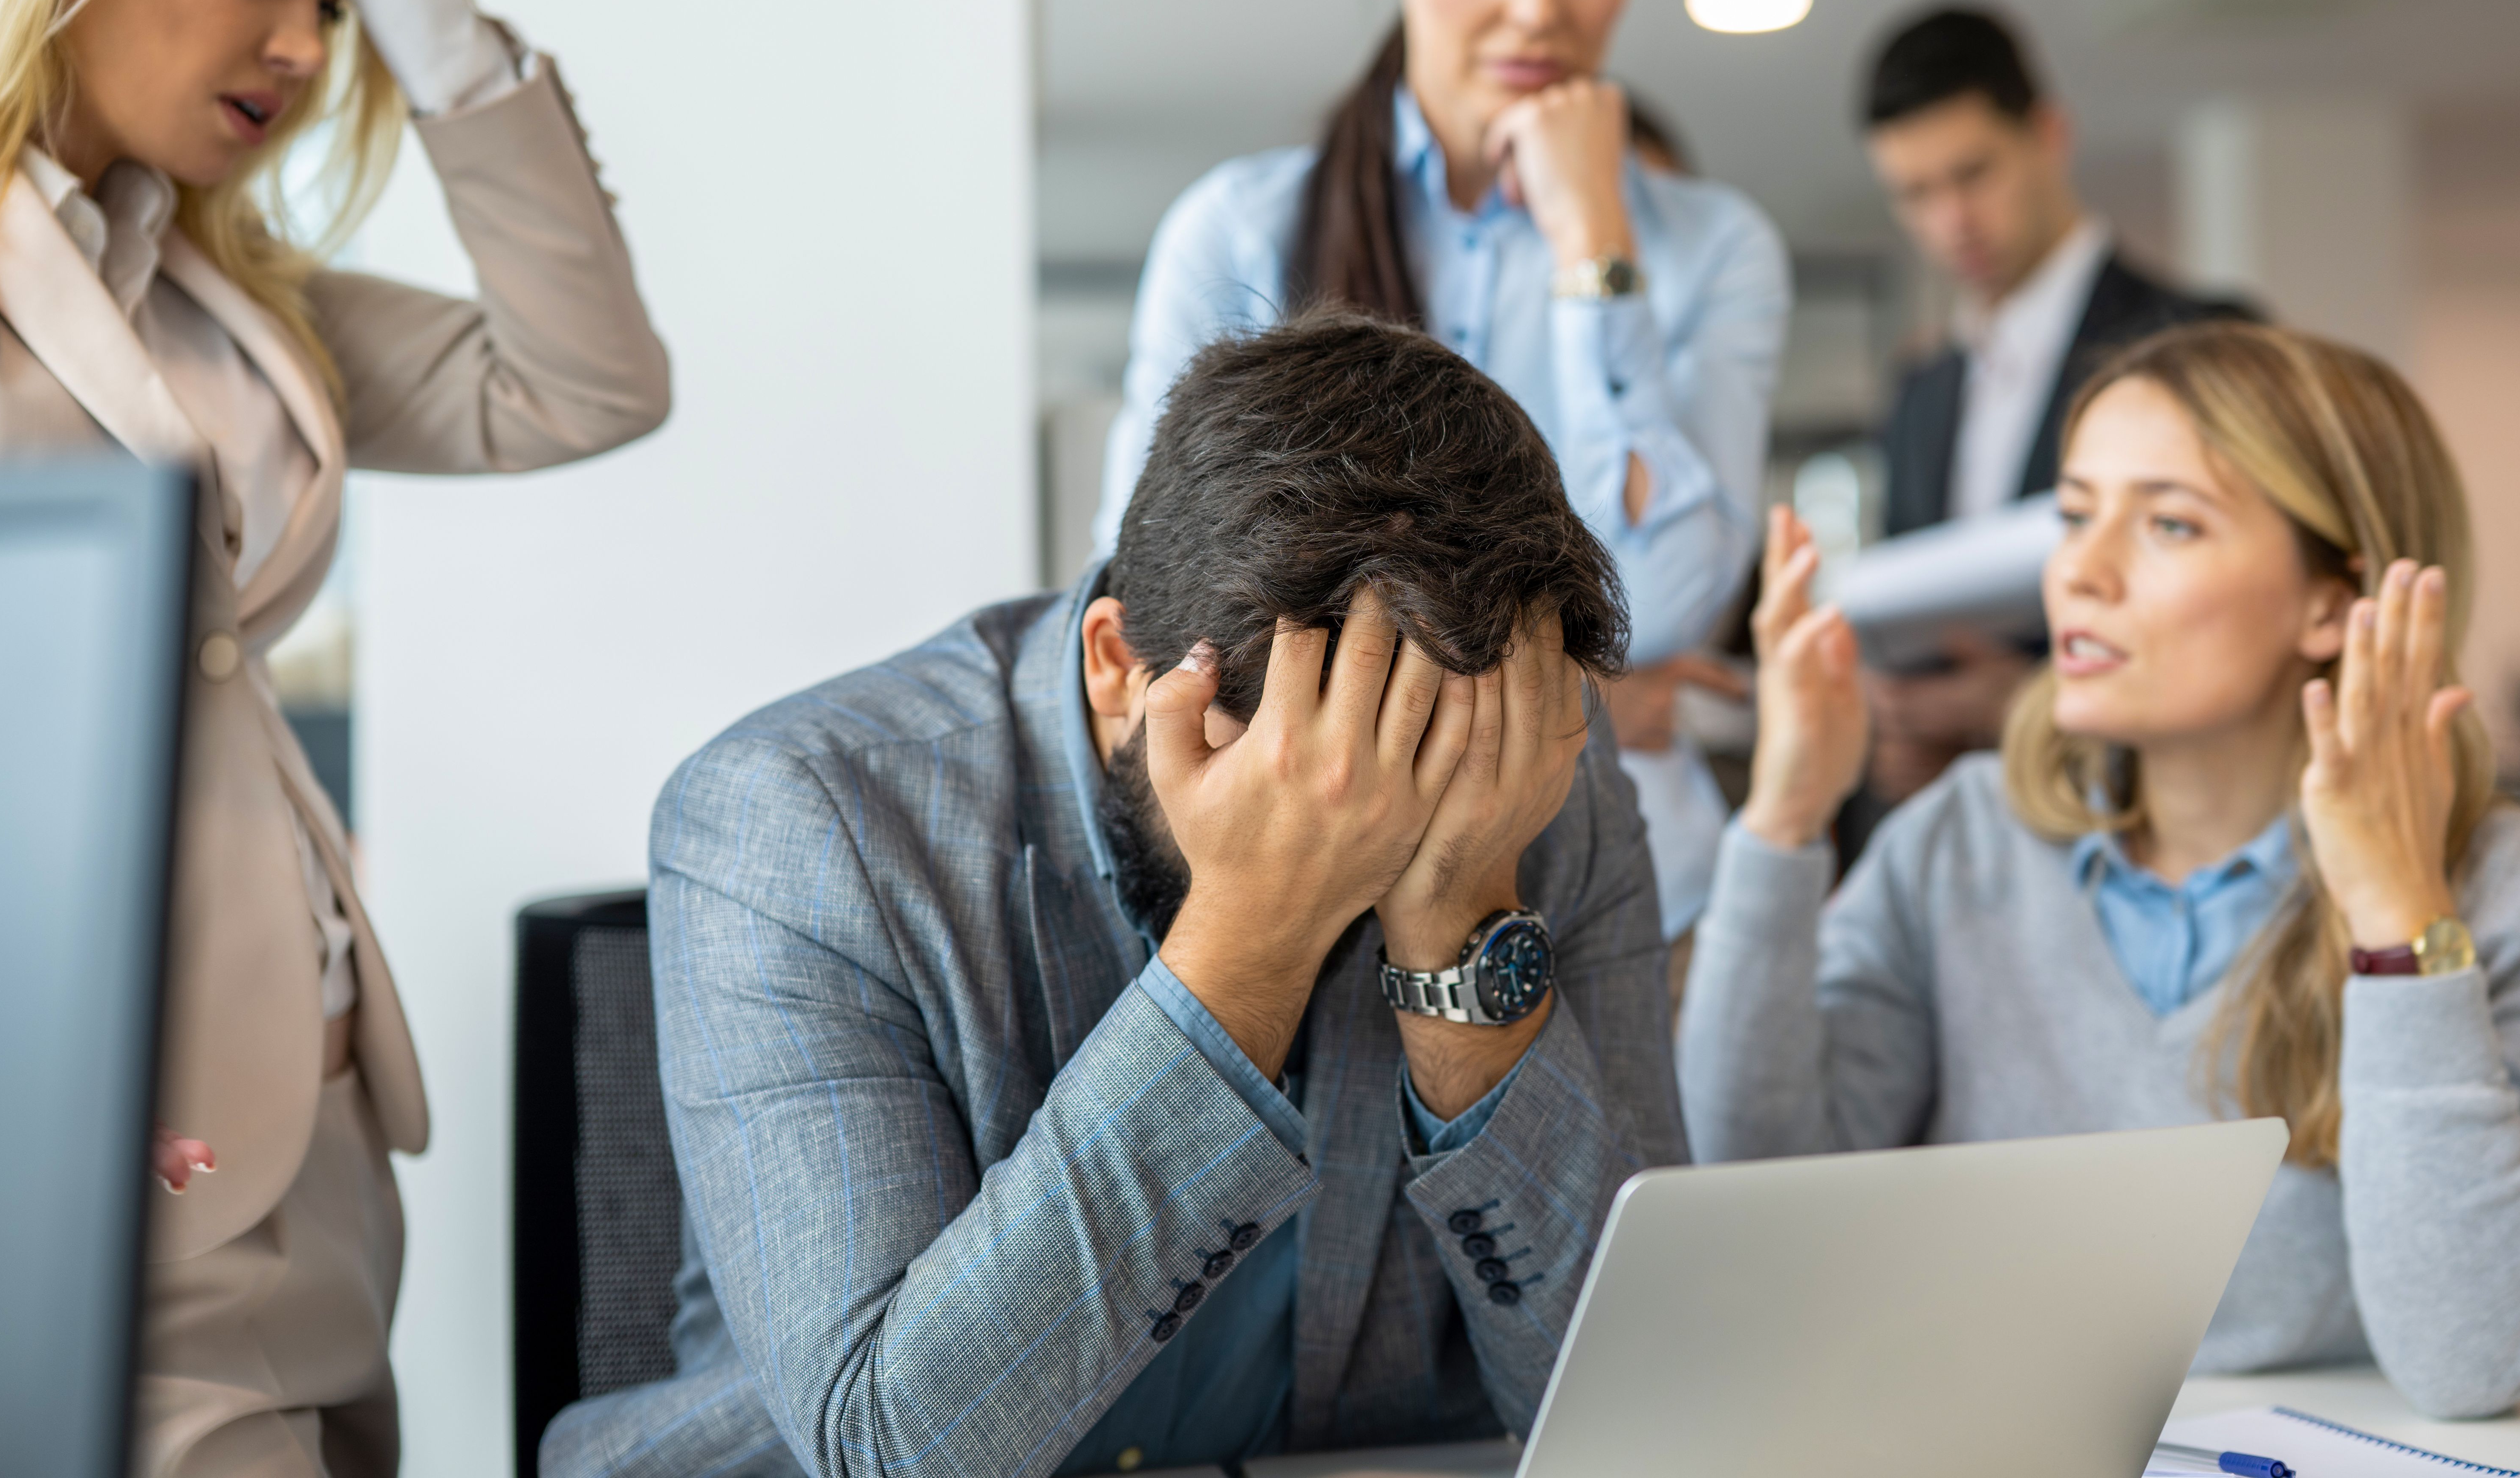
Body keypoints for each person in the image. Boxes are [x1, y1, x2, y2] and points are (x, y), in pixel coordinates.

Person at [548, 313, 1684, 1478]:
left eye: (1429, 780)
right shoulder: (796, 820)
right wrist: (1254, 936)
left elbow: (1655, 1415)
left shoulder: (1525, 779)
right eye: (1324, 774)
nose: (1387, 827)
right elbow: (897, 1449)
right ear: (1116, 663)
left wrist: (1461, 931)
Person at [0, 0, 670, 1476]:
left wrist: (430, 2)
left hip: (326, 1173)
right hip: (90, 1199)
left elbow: (587, 383)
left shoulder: (233, 306)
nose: (303, 45)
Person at [1678, 321, 2520, 1420]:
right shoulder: (1962, 839)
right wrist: (1784, 819)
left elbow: (2473, 1362)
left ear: (2331, 603)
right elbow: (1751, 1208)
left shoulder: (2519, 887)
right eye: (2076, 515)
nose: (2081, 571)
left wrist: (2395, 915)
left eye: (2170, 523)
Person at [1090, 0, 1791, 941]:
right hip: (1317, 891)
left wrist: (1595, 250)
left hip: (1624, 899)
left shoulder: (1715, 247)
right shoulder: (1242, 230)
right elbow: (1160, 606)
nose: (1537, 6)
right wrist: (1590, 698)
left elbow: (1673, 603)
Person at [1859, 2, 2246, 812]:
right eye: (1915, 194)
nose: (1950, 222)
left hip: (2150, 814)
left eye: (1973, 175)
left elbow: (2240, 612)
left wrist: (2034, 706)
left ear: (2049, 135)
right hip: (1964, 830)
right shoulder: (1922, 394)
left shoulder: (2201, 341)